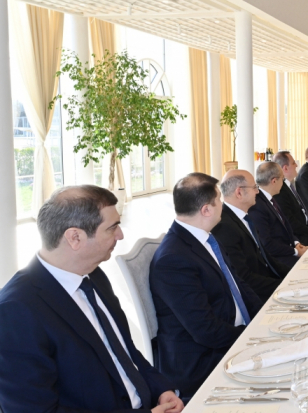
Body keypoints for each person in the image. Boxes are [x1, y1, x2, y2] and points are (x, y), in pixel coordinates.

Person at [0, 185, 183, 413]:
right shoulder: (16, 311)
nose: (121, 234)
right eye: (113, 227)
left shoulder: (93, 273)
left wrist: (162, 389)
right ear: (75, 237)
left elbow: (126, 353)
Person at [150, 173, 262, 400]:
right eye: (219, 199)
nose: (223, 203)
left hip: (231, 337)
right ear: (206, 210)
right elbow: (206, 331)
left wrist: (263, 318)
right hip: (205, 360)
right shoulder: (173, 259)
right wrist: (253, 336)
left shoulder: (205, 237)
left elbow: (238, 286)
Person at [211, 169, 291, 301]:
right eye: (254, 187)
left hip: (269, 283)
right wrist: (284, 286)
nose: (258, 191)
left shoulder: (245, 216)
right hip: (257, 297)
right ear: (239, 192)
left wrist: (292, 276)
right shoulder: (224, 227)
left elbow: (266, 258)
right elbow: (244, 277)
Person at [248, 162, 308, 268]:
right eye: (283, 179)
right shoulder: (258, 205)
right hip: (277, 259)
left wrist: (296, 243)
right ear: (274, 181)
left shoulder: (270, 197)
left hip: (288, 249)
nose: (284, 182)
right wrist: (295, 251)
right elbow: (267, 243)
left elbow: (286, 225)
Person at [272, 151, 308, 246]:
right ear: (285, 168)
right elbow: (290, 221)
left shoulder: (289, 185)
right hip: (300, 240)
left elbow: (302, 212)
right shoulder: (279, 191)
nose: (296, 165)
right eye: (293, 163)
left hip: (307, 232)